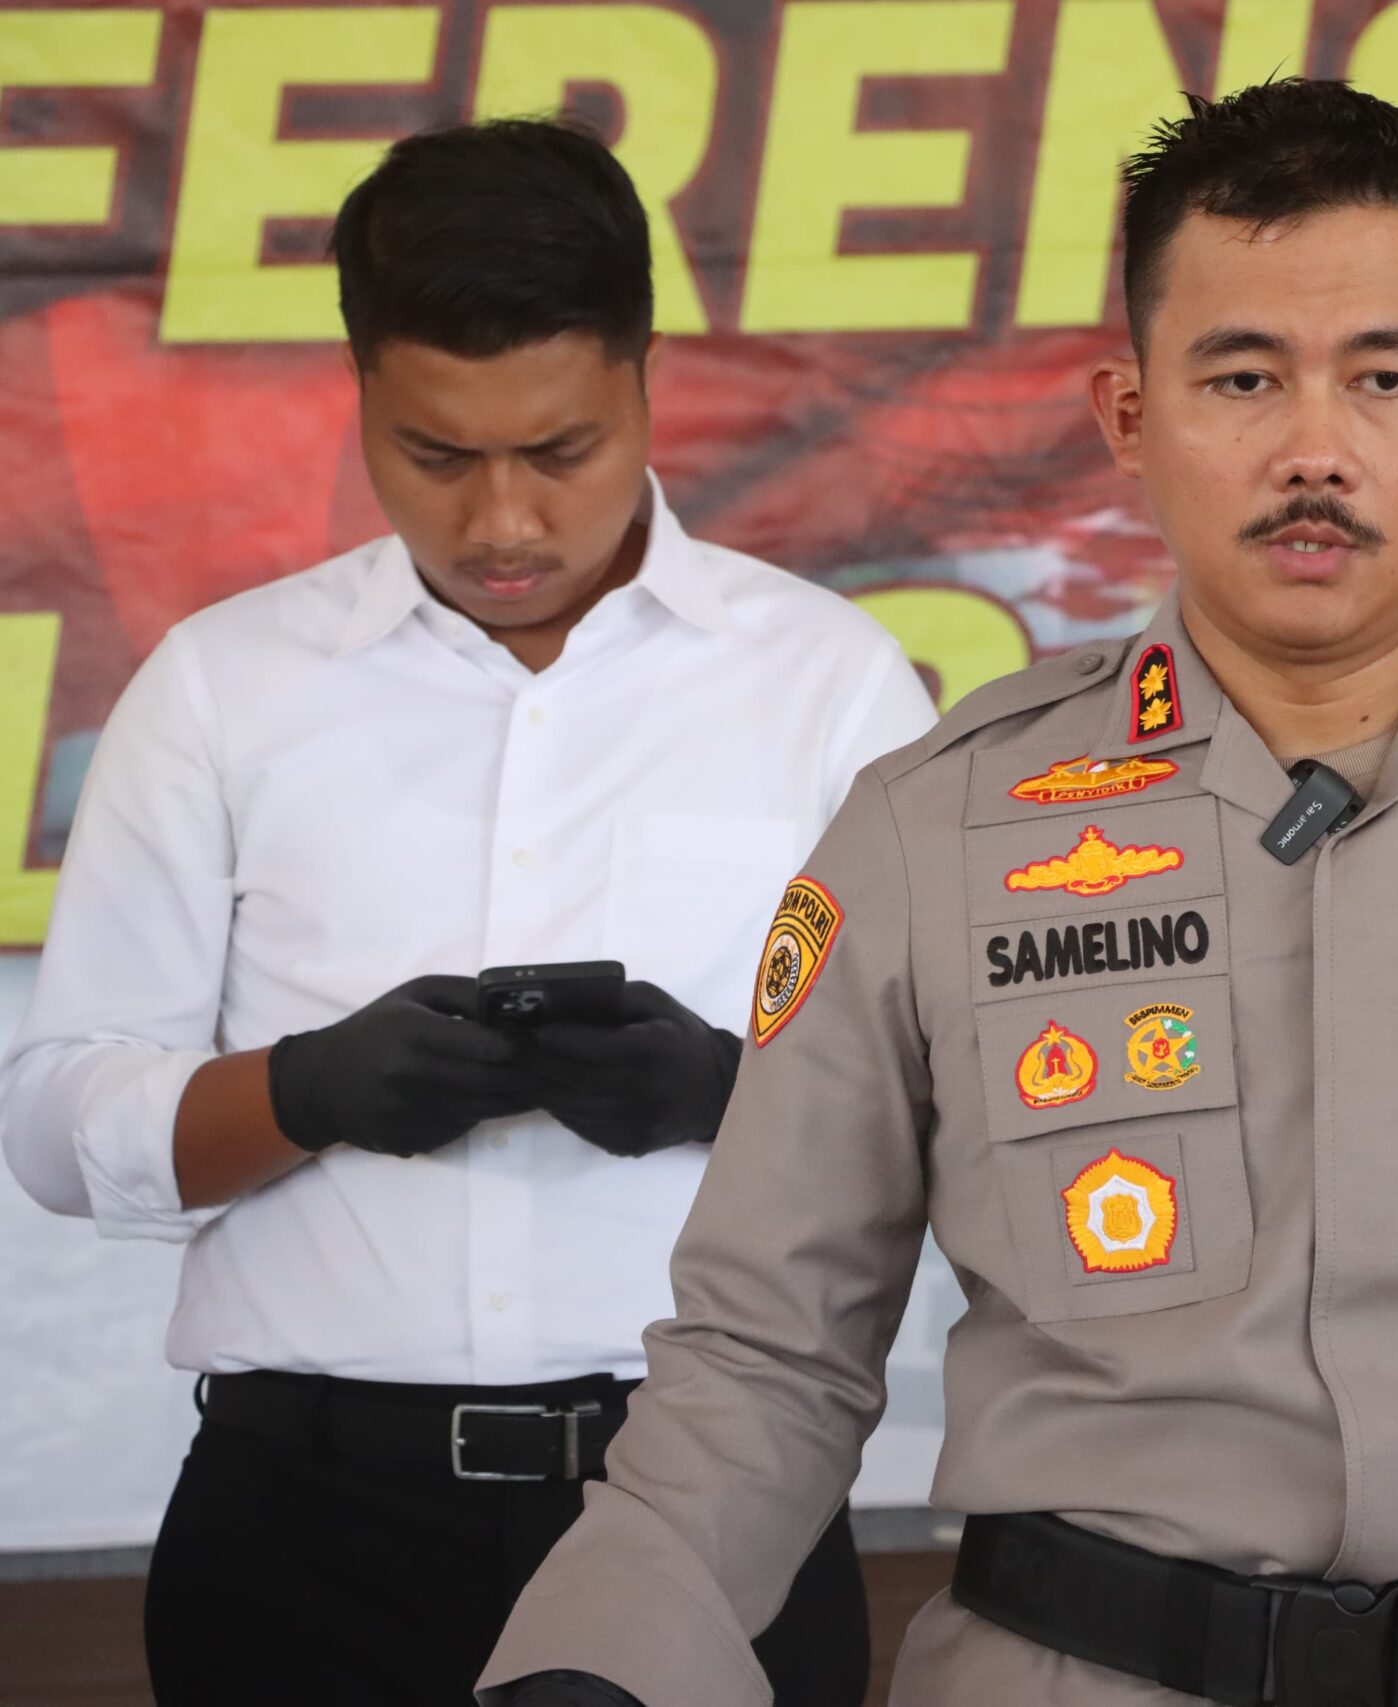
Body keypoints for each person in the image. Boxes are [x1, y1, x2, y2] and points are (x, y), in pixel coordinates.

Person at [475, 78, 1398, 1707]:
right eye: (1242, 377)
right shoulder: (938, 827)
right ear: (1130, 414)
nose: (1314, 451)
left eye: (1386, 377)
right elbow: (766, 1353)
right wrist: (598, 1663)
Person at [0, 118, 936, 1705]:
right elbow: (51, 1124)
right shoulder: (223, 687)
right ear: (358, 389)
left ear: (648, 380)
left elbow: (961, 1113)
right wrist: (304, 1093)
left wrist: (730, 1095)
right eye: (437, 456)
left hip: (710, 1506)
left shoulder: (826, 684)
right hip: (304, 1542)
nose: (503, 522)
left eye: (562, 451)